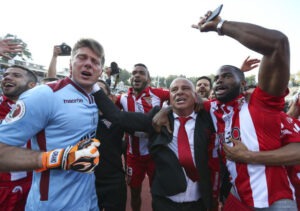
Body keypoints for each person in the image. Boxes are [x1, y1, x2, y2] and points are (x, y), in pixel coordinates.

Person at [190, 9, 298, 210]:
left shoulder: (260, 103)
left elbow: (277, 44)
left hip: (275, 201)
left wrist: (221, 26)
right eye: (217, 78)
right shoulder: (213, 108)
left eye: (227, 76)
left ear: (243, 85)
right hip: (237, 196)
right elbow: (184, 98)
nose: (219, 80)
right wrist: (165, 109)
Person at [0, 38, 103, 210]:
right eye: (82, 57)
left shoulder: (94, 99)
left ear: (100, 71)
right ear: (71, 63)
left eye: (95, 61)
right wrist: (56, 158)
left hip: (87, 199)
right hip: (52, 205)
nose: (88, 64)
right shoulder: (44, 95)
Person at [93, 77, 217, 211]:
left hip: (200, 202)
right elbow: (119, 117)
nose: (179, 92)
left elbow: (225, 103)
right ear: (169, 97)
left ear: (195, 95)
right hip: (164, 202)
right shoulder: (156, 118)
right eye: (174, 89)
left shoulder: (207, 117)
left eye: (186, 88)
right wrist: (93, 87)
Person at [115, 63, 169, 211]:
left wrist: (167, 109)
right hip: (134, 156)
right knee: (134, 192)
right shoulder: (122, 98)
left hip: (155, 155)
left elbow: (182, 98)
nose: (137, 75)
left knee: (157, 193)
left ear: (148, 79)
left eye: (141, 73)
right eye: (134, 73)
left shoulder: (159, 94)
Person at [0, 65, 37, 211]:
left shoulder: (41, 109)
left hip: (31, 186)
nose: (7, 77)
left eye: (16, 75)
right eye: (5, 75)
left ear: (32, 85)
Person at [94, 79, 127, 211]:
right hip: (86, 181)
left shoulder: (120, 119)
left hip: (113, 180)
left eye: (99, 92)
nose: (95, 95)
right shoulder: (78, 118)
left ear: (110, 98)